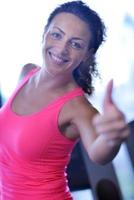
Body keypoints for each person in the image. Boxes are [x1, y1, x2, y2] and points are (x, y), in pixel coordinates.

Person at [0, 1, 129, 199]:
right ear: (45, 32)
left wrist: (111, 138)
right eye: (57, 34)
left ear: (87, 55)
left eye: (75, 44)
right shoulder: (26, 73)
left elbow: (98, 153)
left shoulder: (78, 108)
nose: (61, 49)